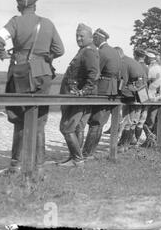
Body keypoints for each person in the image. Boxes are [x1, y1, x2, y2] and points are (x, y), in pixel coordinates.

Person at [0, 0, 64, 173]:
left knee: (20, 119)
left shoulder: (15, 21)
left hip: (21, 74)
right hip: (43, 75)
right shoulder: (47, 23)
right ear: (35, 7)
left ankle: (16, 165)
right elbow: (60, 50)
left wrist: (4, 54)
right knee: (39, 121)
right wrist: (45, 58)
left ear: (18, 7)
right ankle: (38, 167)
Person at [58, 23, 99, 166]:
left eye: (82, 36)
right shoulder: (84, 50)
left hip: (78, 96)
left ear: (90, 37)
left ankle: (77, 159)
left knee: (66, 127)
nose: (78, 38)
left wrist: (84, 91)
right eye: (77, 35)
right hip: (79, 95)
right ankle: (73, 157)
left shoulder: (88, 51)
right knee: (78, 127)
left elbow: (93, 74)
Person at [82, 28, 121, 159]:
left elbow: (95, 72)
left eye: (94, 38)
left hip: (102, 89)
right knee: (100, 122)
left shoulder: (101, 52)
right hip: (113, 90)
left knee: (95, 122)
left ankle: (87, 153)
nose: (93, 41)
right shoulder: (115, 52)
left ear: (99, 38)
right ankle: (90, 152)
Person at [113, 46, 149, 152]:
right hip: (142, 93)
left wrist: (118, 92)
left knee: (129, 119)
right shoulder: (144, 66)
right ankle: (131, 143)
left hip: (133, 92)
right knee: (136, 120)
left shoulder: (125, 62)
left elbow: (123, 80)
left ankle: (125, 144)